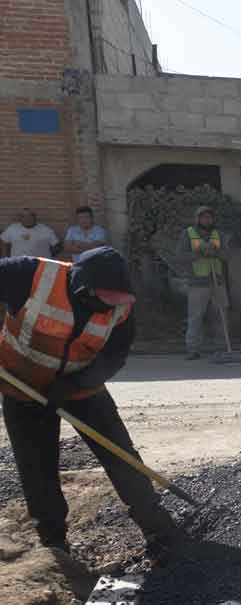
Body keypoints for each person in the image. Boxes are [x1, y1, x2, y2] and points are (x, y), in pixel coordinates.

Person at [0, 247, 180, 559]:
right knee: (37, 467)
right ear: (83, 287)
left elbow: (115, 355)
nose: (107, 309)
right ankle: (54, 543)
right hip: (23, 388)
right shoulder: (28, 275)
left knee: (121, 454)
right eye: (103, 301)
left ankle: (157, 526)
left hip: (81, 388)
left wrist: (75, 384)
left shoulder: (121, 307)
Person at [176, 206, 227, 360]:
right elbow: (180, 257)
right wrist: (198, 253)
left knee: (220, 316)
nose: (207, 220)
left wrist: (216, 252)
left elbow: (228, 256)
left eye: (209, 217)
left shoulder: (219, 235)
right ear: (197, 219)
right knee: (195, 317)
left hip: (217, 282)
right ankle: (193, 349)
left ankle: (221, 347)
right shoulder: (188, 234)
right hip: (197, 284)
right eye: (203, 217)